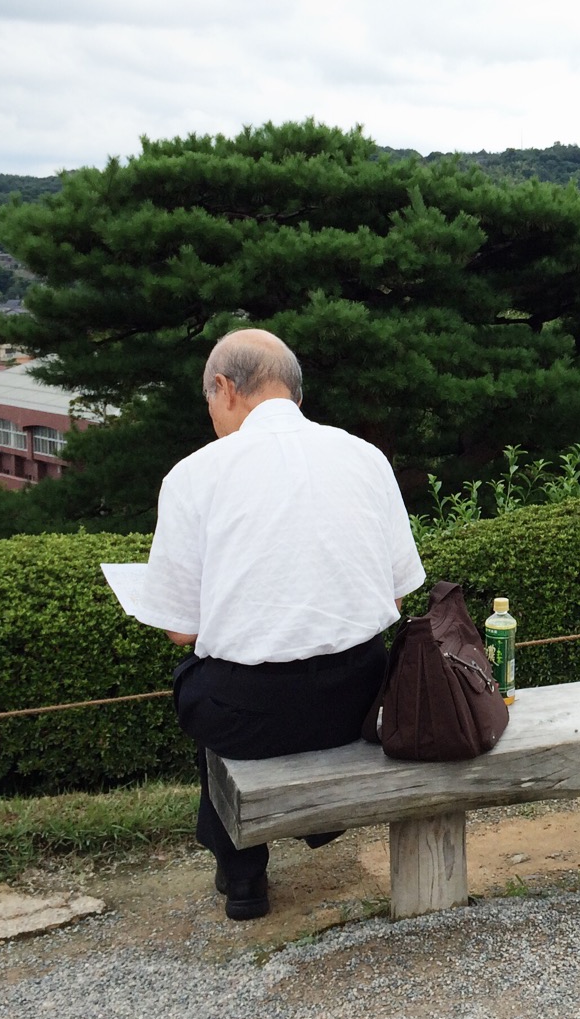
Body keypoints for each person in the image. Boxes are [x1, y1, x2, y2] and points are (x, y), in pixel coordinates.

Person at [135, 328, 424, 920]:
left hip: (251, 713)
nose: (211, 413)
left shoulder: (194, 474)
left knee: (194, 680)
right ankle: (314, 830)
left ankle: (243, 879)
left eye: (209, 401)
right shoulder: (364, 457)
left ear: (225, 389)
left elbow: (179, 630)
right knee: (234, 679)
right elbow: (396, 601)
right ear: (292, 390)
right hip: (361, 697)